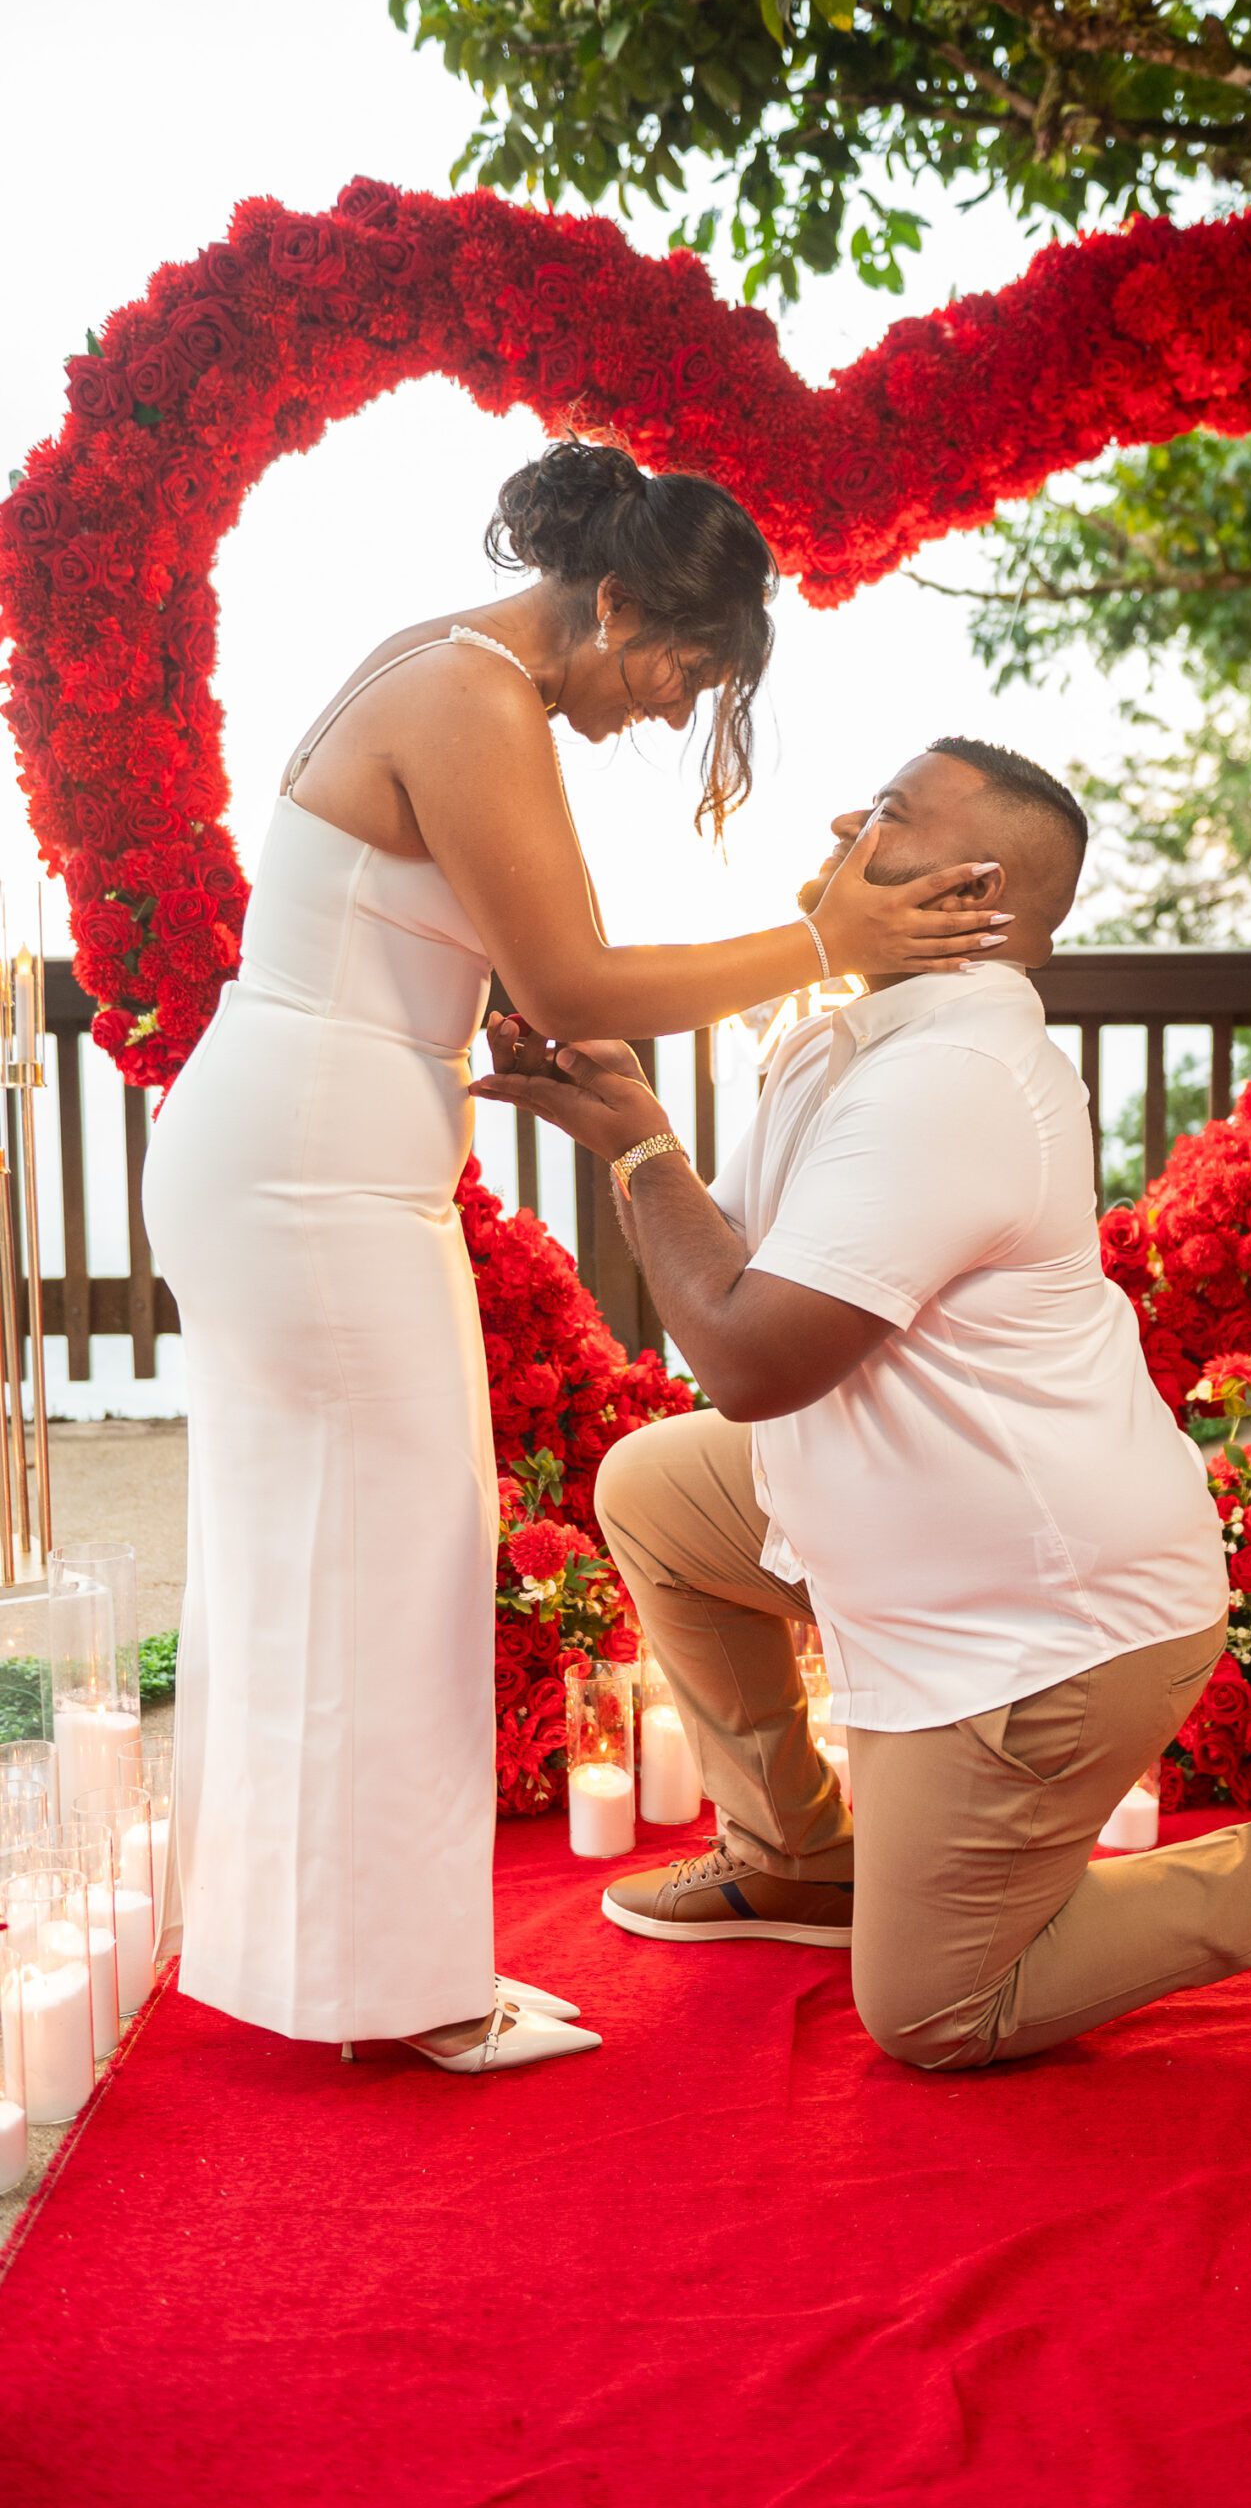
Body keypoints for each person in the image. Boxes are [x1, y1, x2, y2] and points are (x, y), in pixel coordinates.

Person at [142, 444, 1010, 2078]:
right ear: (615, 601)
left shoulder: (445, 671)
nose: (677, 709)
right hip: (314, 1177)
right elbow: (578, 972)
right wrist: (845, 939)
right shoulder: (473, 696)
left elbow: (503, 969)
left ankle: (332, 1974)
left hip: (296, 1153)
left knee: (315, 1561)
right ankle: (409, 1993)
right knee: (392, 1565)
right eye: (686, 665)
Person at [474, 735, 1251, 2070]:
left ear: (974, 894)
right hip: (918, 1535)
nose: (841, 820)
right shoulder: (852, 1037)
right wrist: (634, 1112)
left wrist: (637, 1144)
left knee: (935, 2013)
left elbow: (754, 1359)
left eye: (885, 814)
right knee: (651, 1486)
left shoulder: (951, 1080)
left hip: (1044, 1620)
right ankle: (795, 1860)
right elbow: (738, 1269)